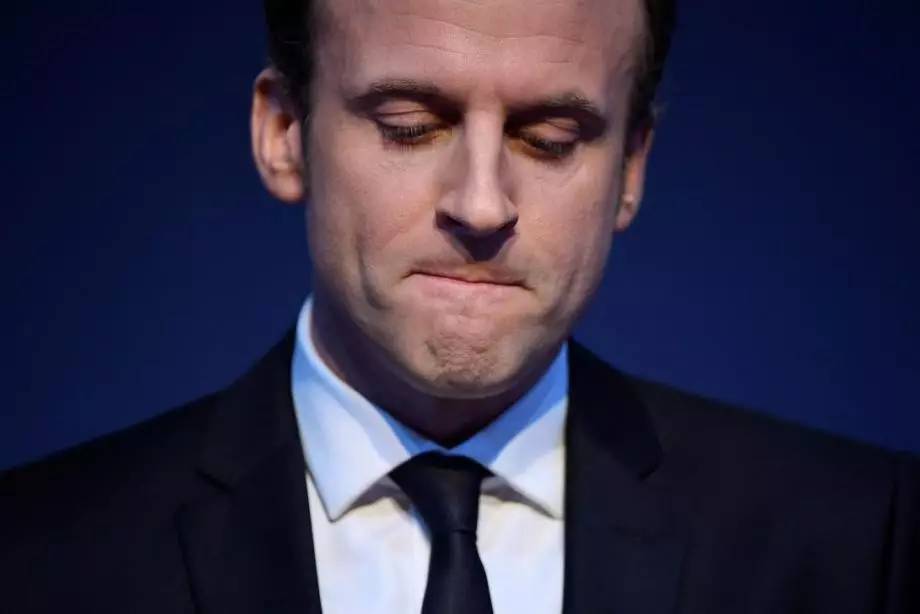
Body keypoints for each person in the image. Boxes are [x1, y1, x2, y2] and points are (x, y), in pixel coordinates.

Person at [2, 0, 917, 612]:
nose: (482, 205)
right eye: (410, 126)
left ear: (632, 167)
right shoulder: (41, 558)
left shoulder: (852, 546)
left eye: (550, 138)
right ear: (284, 133)